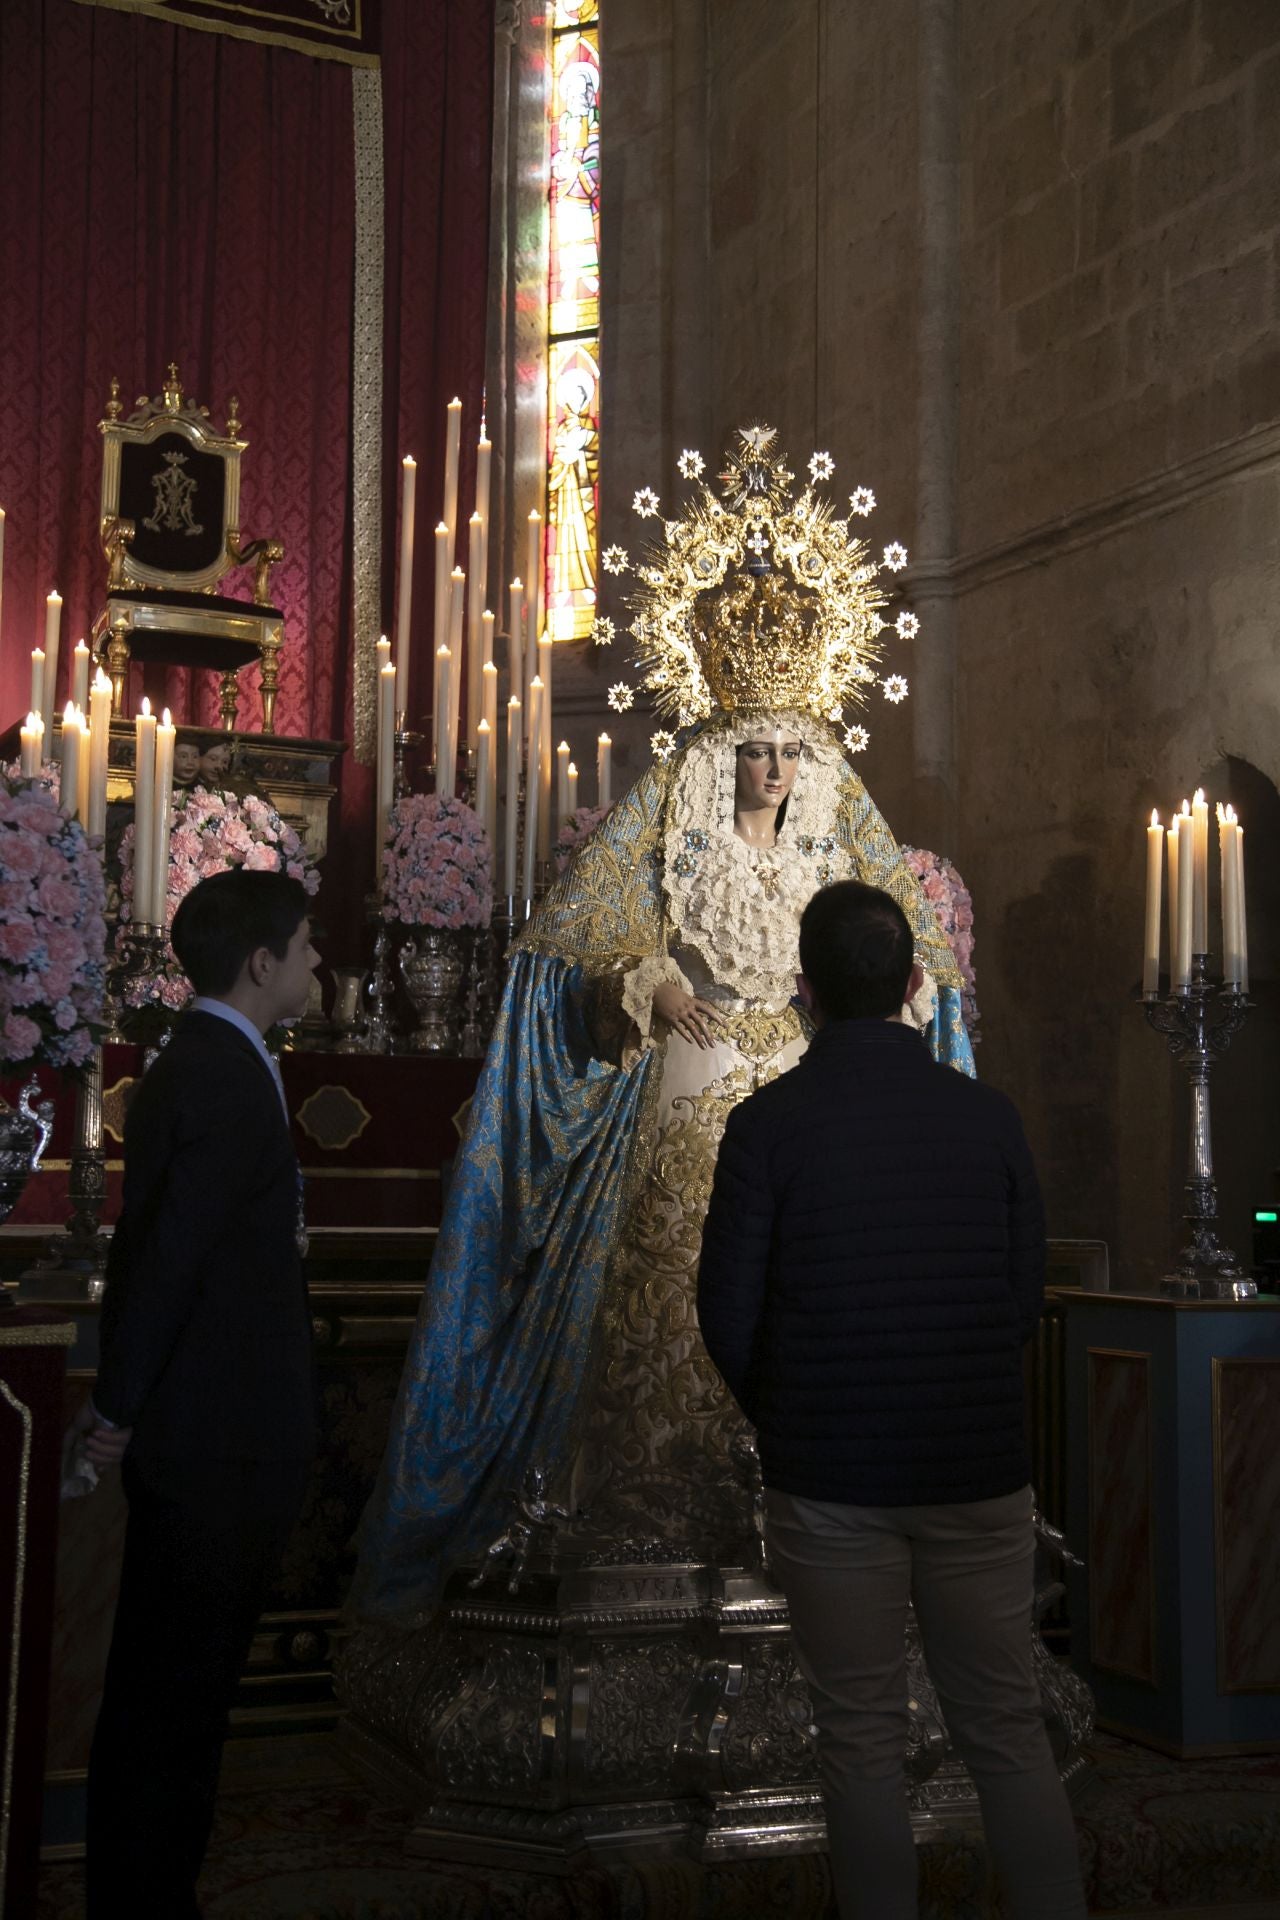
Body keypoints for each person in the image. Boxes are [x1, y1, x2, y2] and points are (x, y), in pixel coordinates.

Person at [353, 430, 976, 1619]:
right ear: (716, 744)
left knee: (808, 1278)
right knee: (670, 1290)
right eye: (748, 750)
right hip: (687, 1079)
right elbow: (571, 959)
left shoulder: (841, 820)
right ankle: (642, 1528)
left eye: (783, 753)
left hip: (808, 1082)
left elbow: (903, 956)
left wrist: (894, 995)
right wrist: (644, 980)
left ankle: (805, 1534)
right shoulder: (668, 810)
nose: (766, 770)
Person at [696, 879, 1087, 1920]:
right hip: (973, 1471)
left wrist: (794, 1414)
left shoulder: (765, 1125)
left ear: (800, 992)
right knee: (1004, 1726)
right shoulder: (986, 1117)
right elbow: (1017, 1300)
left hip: (830, 1480)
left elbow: (725, 1315)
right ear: (914, 983)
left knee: (859, 1740)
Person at [76, 868, 319, 1919]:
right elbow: (167, 1258)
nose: (319, 963)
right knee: (175, 1695)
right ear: (262, 964)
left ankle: (147, 1887)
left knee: (178, 1692)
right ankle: (142, 1896)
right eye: (307, 948)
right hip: (215, 1439)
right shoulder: (219, 1072)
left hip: (215, 1429)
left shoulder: (219, 1059)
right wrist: (116, 1409)